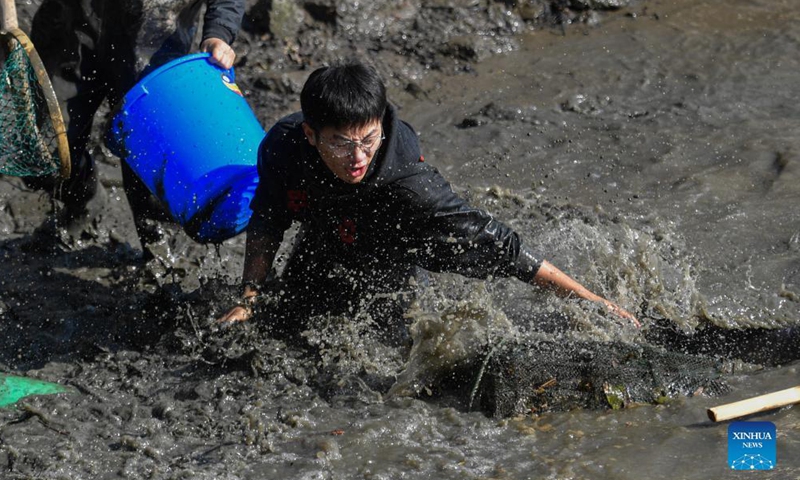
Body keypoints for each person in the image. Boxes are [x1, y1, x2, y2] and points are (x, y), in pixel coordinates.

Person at [218, 61, 639, 341]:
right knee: (285, 323)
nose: (359, 158)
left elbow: (497, 240)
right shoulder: (284, 148)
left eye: (368, 139)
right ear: (311, 135)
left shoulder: (408, 180)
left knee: (397, 336)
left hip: (391, 238)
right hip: (326, 225)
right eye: (343, 144)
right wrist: (247, 297)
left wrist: (590, 300)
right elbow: (268, 218)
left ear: (380, 124)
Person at [27, 0, 245, 250]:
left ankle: (162, 255)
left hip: (156, 39)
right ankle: (82, 202)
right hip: (72, 26)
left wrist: (219, 32)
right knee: (44, 146)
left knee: (151, 163)